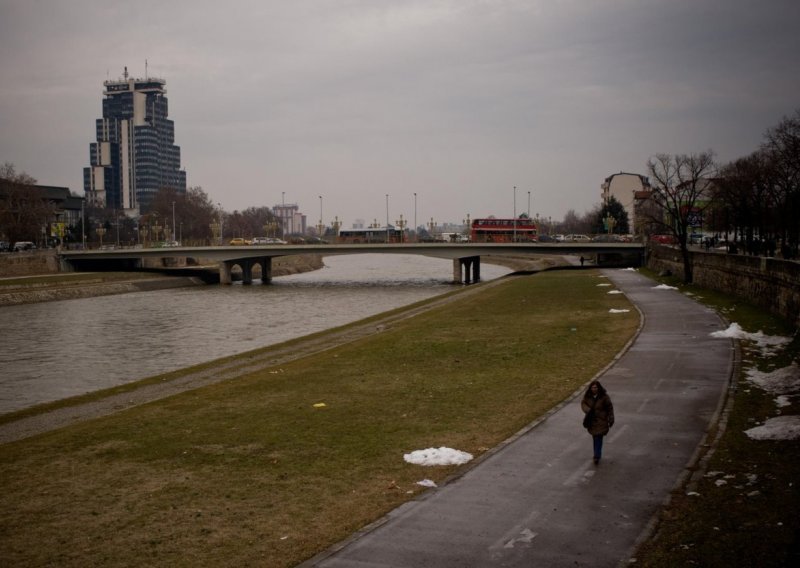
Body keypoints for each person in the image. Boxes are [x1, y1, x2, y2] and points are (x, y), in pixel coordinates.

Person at [581, 380, 614, 465]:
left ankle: (596, 456)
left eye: (595, 387)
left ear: (598, 388)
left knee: (598, 437)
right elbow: (583, 404)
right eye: (592, 387)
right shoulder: (587, 396)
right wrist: (588, 411)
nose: (594, 389)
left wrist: (611, 418)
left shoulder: (604, 397)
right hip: (592, 421)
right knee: (595, 437)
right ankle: (596, 454)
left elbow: (610, 408)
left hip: (602, 420)